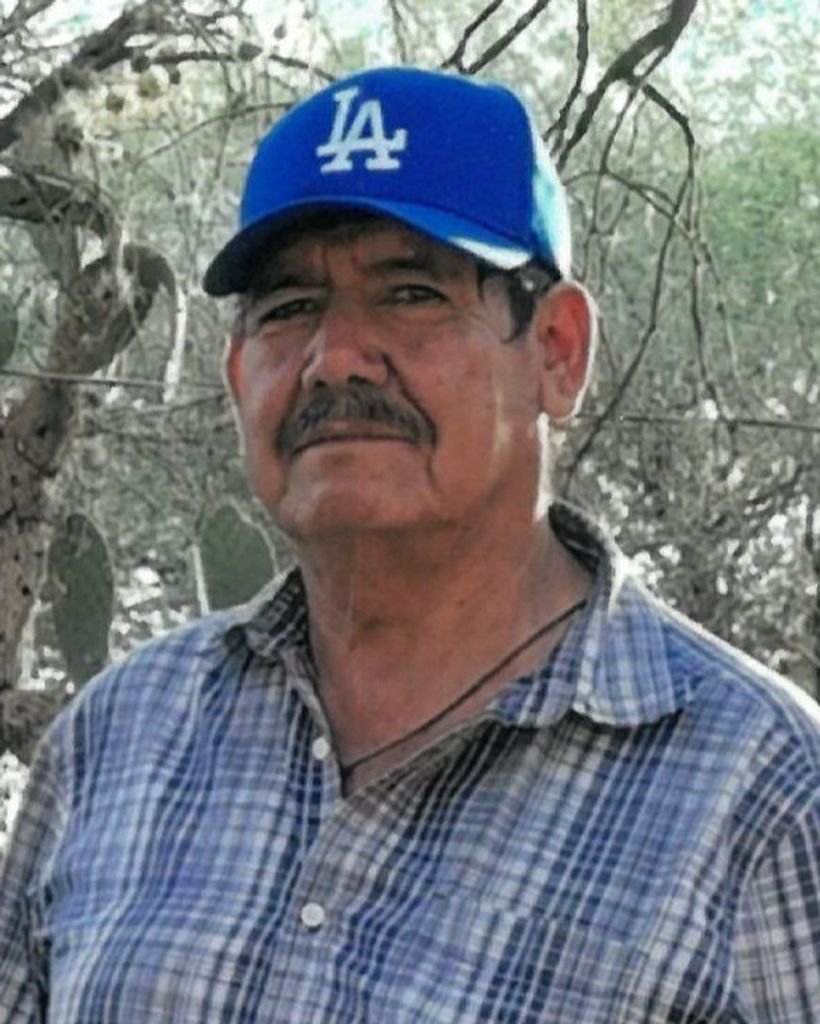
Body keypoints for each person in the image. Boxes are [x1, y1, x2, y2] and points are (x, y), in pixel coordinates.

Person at [1, 66, 818, 1024]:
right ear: (237, 373)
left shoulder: (767, 799)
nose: (335, 359)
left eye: (412, 293)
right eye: (288, 307)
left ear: (557, 350)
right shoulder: (117, 740)